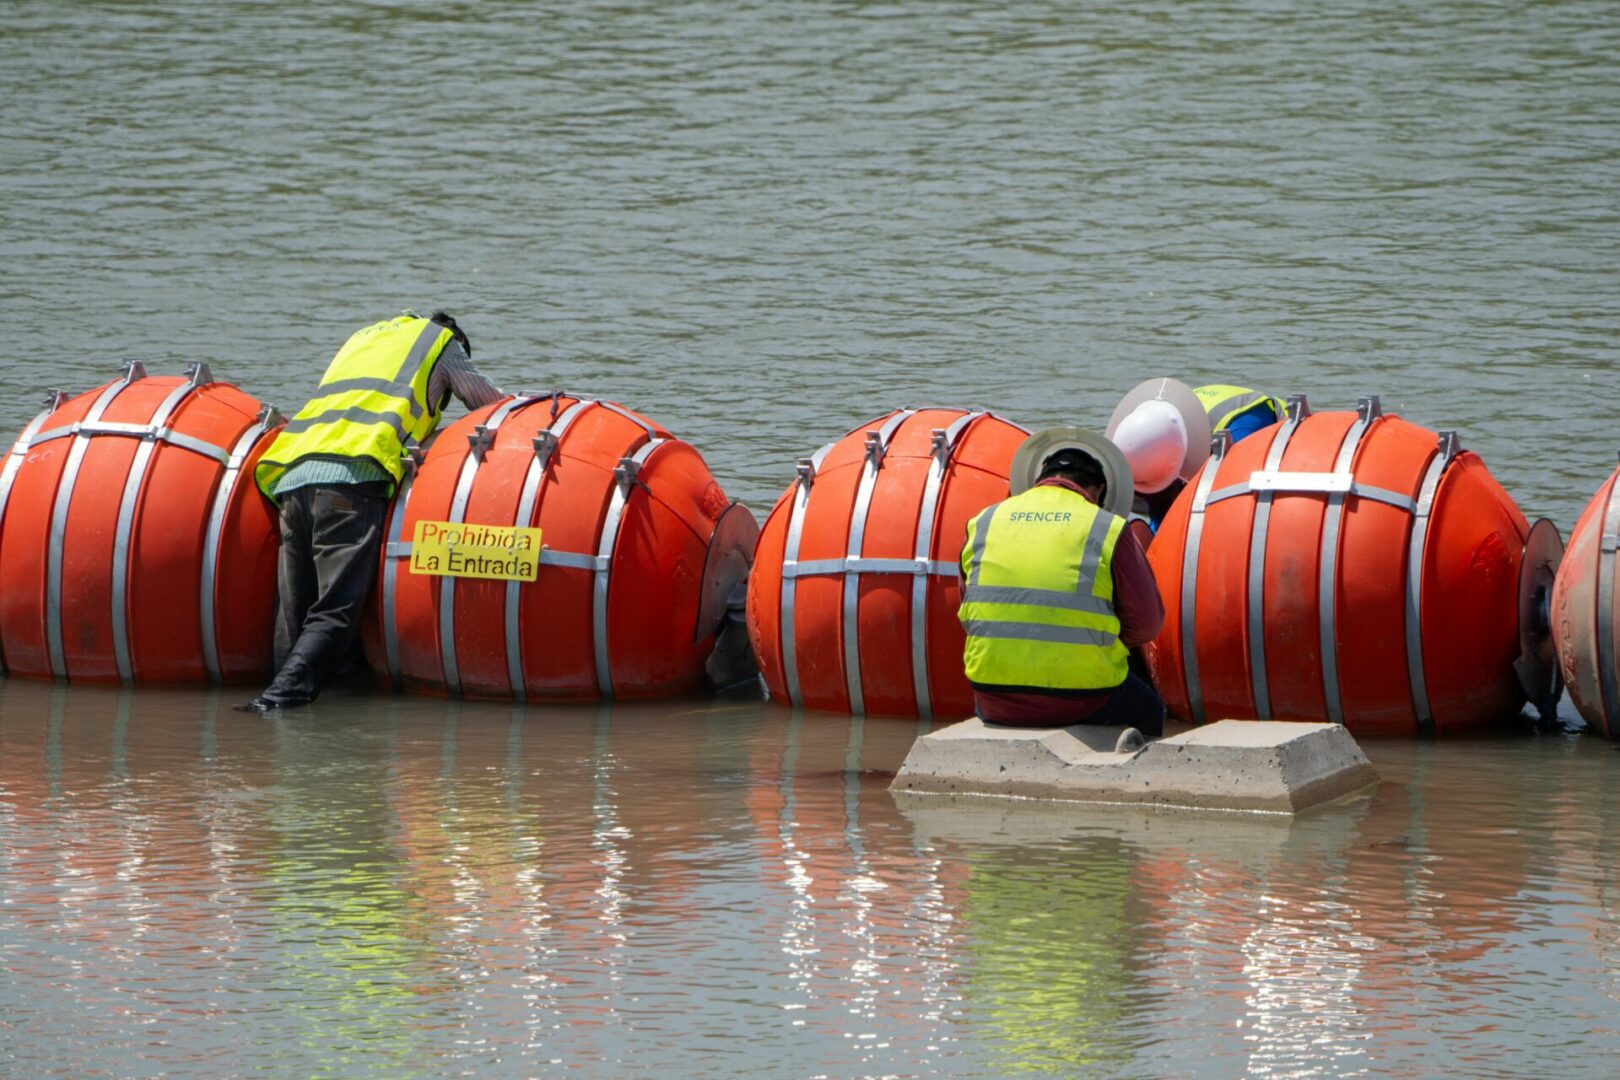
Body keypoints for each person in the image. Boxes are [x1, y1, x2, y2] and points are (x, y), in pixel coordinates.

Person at [237, 311, 504, 713]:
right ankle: (277, 701)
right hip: (352, 478)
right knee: (336, 610)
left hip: (292, 475)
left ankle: (284, 705)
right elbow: (490, 404)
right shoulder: (438, 343)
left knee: (295, 610)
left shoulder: (366, 338)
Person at [958, 429, 1167, 736]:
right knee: (1150, 709)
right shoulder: (1107, 528)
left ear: (1038, 480)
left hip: (994, 698)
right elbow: (1148, 624)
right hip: (1083, 699)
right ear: (1098, 491)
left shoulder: (983, 521)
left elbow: (970, 610)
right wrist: (1101, 639)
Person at [1107, 378, 1287, 531]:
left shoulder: (1241, 430)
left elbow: (1238, 510)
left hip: (1294, 451)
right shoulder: (1148, 431)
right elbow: (1160, 511)